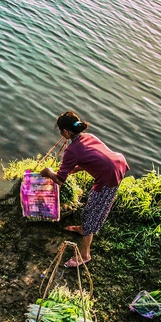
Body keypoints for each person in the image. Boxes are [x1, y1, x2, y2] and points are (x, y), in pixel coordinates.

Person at [40, 111, 129, 268]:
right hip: (117, 163)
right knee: (92, 209)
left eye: (60, 130)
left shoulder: (71, 150)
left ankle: (85, 255)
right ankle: (83, 229)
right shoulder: (89, 137)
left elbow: (59, 180)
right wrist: (76, 168)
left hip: (109, 177)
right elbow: (94, 157)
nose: (60, 133)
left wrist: (48, 172)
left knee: (90, 214)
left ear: (66, 132)